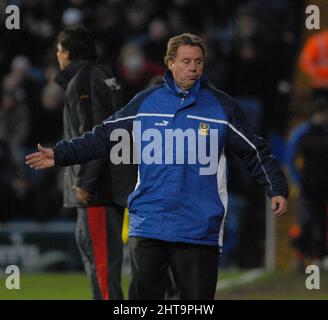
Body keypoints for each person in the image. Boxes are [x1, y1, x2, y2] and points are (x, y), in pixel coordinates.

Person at [26, 33, 288, 300]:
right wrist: (59, 154)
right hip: (149, 225)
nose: (194, 67)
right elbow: (103, 136)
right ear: (170, 63)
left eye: (198, 61)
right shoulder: (146, 102)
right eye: (186, 61)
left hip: (197, 227)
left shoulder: (221, 107)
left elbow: (254, 151)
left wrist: (275, 187)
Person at [52, 25, 136, 300]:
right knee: (100, 263)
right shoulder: (104, 75)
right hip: (109, 185)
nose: (57, 55)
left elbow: (95, 134)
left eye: (59, 50)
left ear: (68, 52)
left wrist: (83, 181)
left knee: (101, 265)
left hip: (96, 191)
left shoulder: (85, 80)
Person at [287, 101, 328, 266]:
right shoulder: (302, 132)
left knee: (320, 222)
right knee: (306, 221)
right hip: (307, 185)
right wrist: (296, 180)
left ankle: (317, 258)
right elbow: (290, 157)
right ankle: (300, 255)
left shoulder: (325, 132)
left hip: (323, 185)